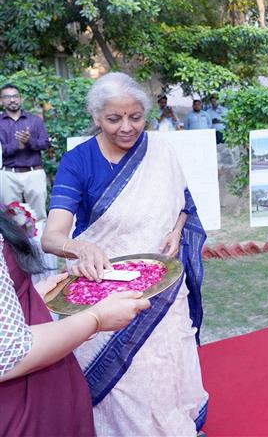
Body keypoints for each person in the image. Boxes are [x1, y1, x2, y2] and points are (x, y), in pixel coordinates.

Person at [41, 72, 209, 435]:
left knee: (165, 373)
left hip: (162, 289)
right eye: (114, 119)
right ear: (96, 118)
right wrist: (78, 246)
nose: (127, 127)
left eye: (135, 117)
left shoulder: (160, 152)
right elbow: (51, 237)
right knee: (123, 389)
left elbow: (184, 204)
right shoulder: (77, 162)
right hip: (102, 292)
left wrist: (176, 231)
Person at [0, 211, 150, 436]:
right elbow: (10, 352)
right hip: (22, 408)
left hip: (47, 389)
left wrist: (26, 298)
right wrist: (95, 318)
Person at [0, 84, 51, 221]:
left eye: (15, 96)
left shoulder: (34, 120)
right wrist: (16, 145)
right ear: (1, 101)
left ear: (20, 99)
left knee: (39, 215)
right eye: (7, 97)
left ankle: (40, 243)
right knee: (10, 218)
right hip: (8, 174)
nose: (12, 100)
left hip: (34, 173)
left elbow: (45, 143)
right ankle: (14, 243)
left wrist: (29, 141)